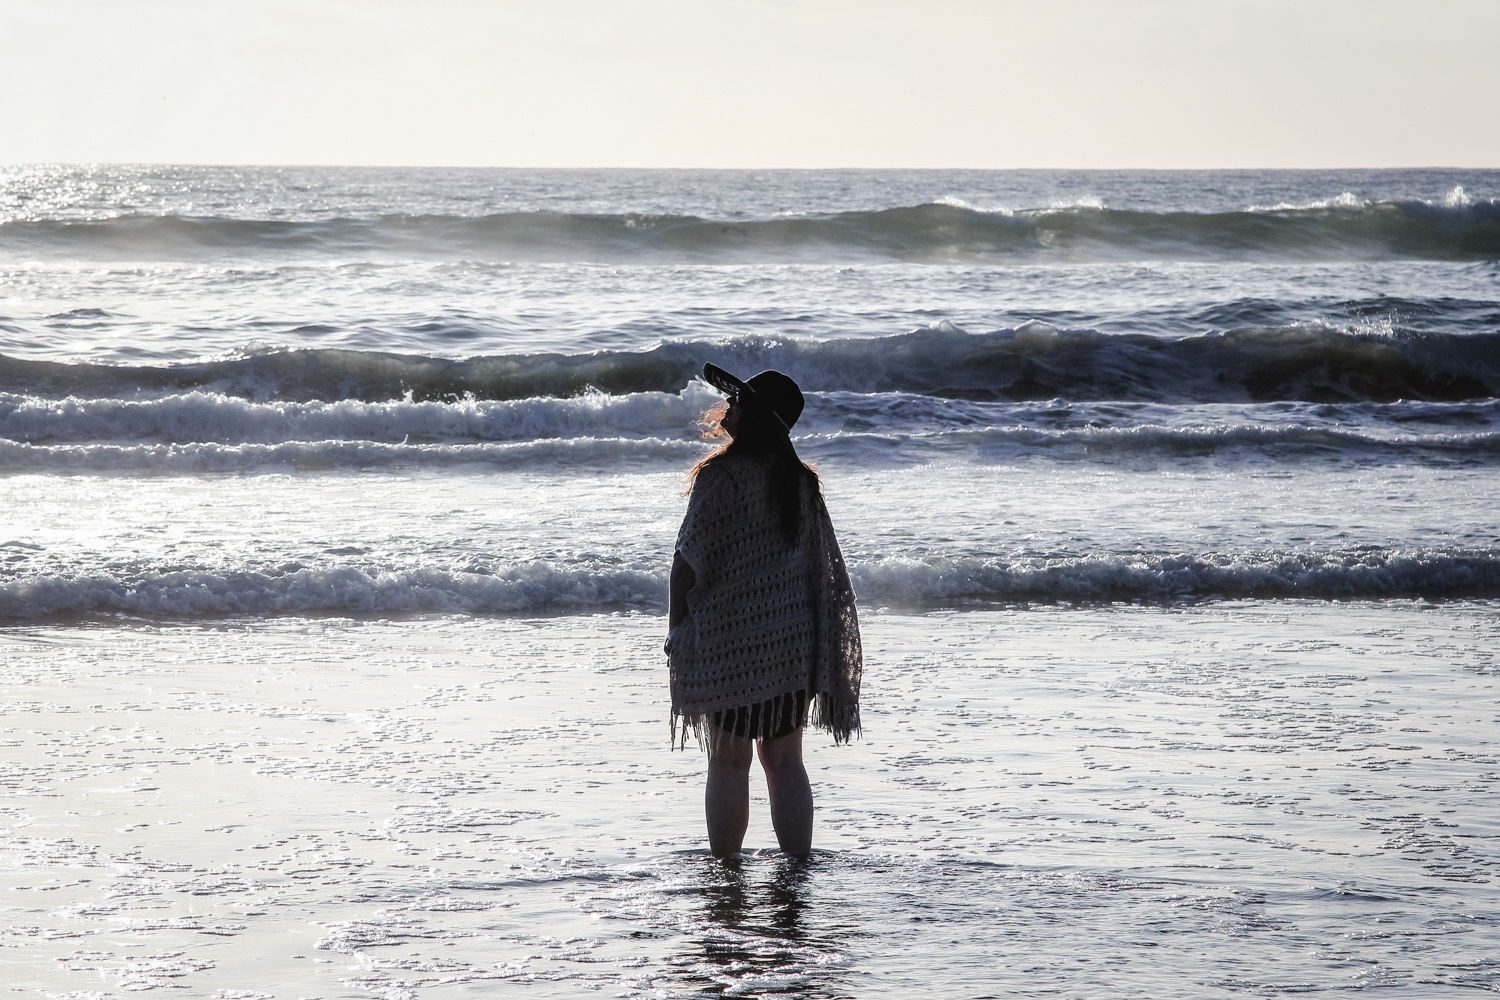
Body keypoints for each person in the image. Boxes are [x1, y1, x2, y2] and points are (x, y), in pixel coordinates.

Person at [666, 363, 862, 858]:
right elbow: (822, 572)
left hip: (729, 642)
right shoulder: (801, 482)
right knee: (785, 761)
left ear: (753, 416)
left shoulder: (719, 476)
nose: (727, 408)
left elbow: (687, 562)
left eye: (737, 401)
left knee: (729, 762)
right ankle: (798, 868)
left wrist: (676, 633)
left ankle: (727, 872)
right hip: (789, 644)